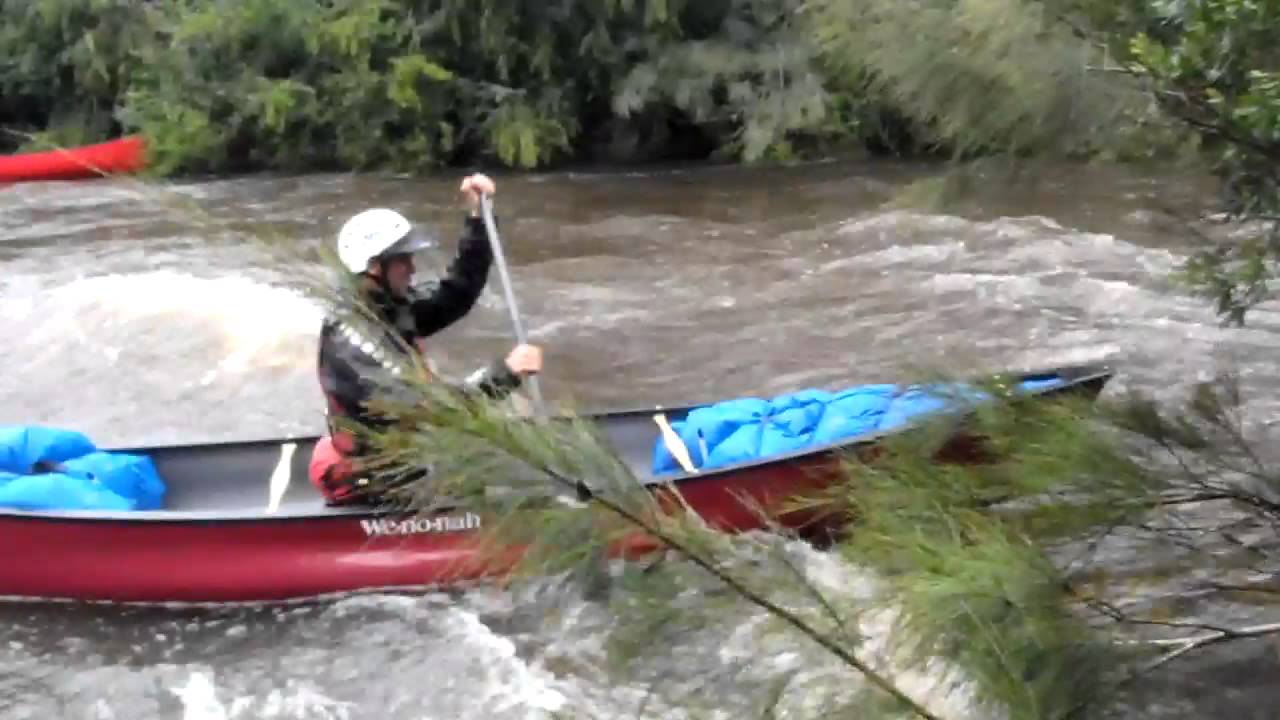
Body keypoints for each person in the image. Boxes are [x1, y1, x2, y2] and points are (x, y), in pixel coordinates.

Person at [308, 173, 543, 506]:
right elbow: (430, 406)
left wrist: (477, 219)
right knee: (484, 466)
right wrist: (505, 374)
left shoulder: (388, 307)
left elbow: (456, 293)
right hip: (378, 474)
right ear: (375, 267)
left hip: (402, 453)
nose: (413, 268)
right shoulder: (355, 341)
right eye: (404, 260)